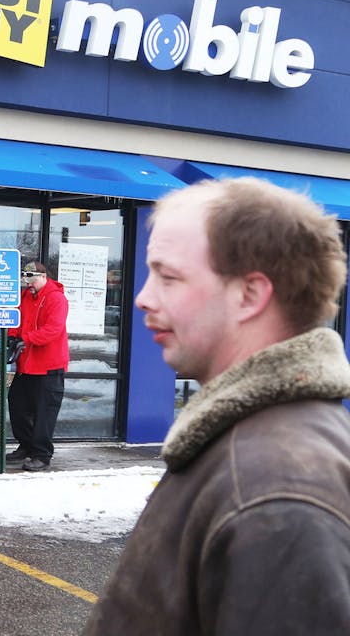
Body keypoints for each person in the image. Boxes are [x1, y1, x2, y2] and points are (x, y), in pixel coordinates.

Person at [82, 178, 350, 635]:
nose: (143, 297)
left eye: (169, 277)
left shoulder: (275, 492)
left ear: (249, 295)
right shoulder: (252, 445)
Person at [7, 259, 69, 471]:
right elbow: (17, 319)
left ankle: (42, 454)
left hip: (49, 366)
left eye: (32, 279)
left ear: (43, 277)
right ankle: (26, 446)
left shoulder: (56, 299)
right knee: (17, 405)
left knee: (44, 412)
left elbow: (53, 329)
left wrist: (26, 338)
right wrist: (13, 336)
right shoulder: (25, 297)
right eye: (25, 279)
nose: (28, 283)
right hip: (26, 365)